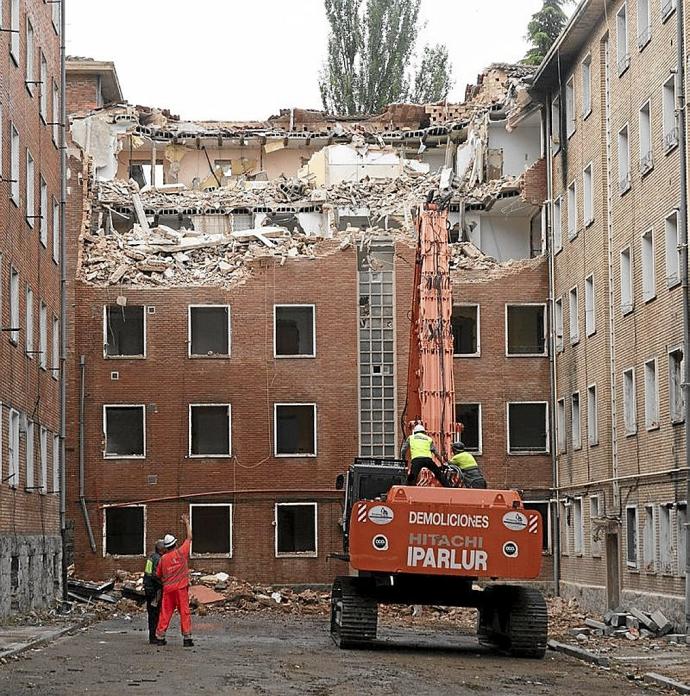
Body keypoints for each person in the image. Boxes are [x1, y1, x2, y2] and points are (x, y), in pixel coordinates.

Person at [154, 514, 194, 647]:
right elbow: (189, 537)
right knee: (184, 612)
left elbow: (158, 574)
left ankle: (160, 637)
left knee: (165, 612)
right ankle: (187, 638)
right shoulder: (181, 552)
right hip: (181, 588)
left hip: (168, 590)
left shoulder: (162, 559)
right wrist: (187, 523)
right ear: (175, 544)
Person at [143, 539, 165, 644]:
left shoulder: (151, 557)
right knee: (155, 614)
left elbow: (148, 573)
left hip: (148, 588)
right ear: (161, 549)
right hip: (154, 590)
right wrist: (164, 583)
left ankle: (152, 636)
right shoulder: (158, 559)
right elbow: (156, 575)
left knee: (151, 613)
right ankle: (154, 637)